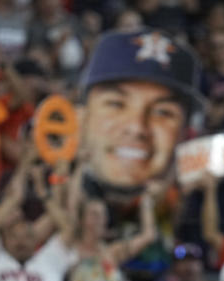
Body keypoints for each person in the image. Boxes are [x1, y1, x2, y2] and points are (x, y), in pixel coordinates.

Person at [77, 27, 202, 204]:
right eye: (116, 104)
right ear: (81, 118)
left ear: (185, 133)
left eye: (163, 112)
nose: (136, 127)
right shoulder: (37, 195)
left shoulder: (197, 210)